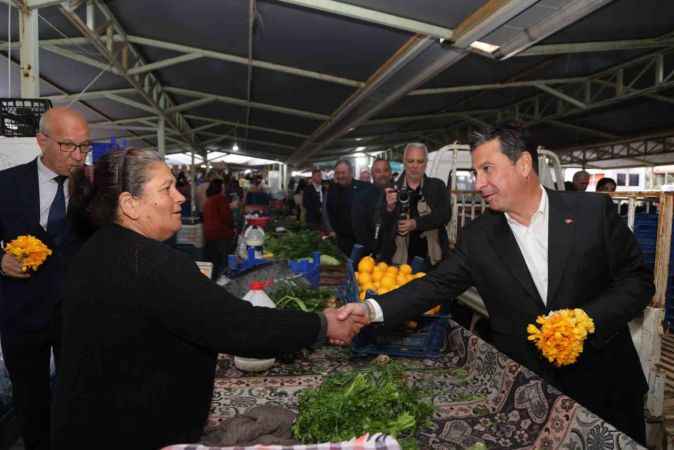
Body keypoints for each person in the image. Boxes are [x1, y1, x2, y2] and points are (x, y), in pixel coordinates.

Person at [339, 127, 653, 444]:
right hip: (532, 397)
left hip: (607, 386)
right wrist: (371, 309)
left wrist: (587, 320)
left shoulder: (591, 212)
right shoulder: (480, 236)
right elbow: (434, 285)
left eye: (487, 169)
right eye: (475, 172)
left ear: (524, 164)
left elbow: (638, 282)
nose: (478, 184)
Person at [52, 149, 364, 450]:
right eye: (167, 188)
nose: (181, 197)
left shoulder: (94, 250)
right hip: (130, 433)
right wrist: (323, 325)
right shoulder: (153, 264)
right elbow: (242, 326)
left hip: (88, 426)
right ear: (130, 205)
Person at [0, 107, 90, 450]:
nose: (79, 156)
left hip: (77, 313)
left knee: (77, 393)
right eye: (70, 146)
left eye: (85, 146)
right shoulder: (6, 185)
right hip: (21, 311)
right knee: (30, 399)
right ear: (42, 141)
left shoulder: (93, 189)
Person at [381, 143, 450, 267]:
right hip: (399, 261)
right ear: (404, 162)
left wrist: (416, 223)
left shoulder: (437, 186)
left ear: (426, 163)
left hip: (432, 259)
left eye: (420, 161)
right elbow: (383, 226)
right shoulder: (391, 188)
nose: (414, 166)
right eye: (410, 161)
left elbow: (444, 215)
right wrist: (389, 208)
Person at [325, 159, 374, 257]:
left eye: (343, 173)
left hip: (362, 243)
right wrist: (332, 230)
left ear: (351, 172)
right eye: (337, 173)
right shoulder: (332, 190)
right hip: (341, 242)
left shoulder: (364, 188)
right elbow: (329, 211)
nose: (340, 176)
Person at [353, 159, 395, 260]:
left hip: (398, 254)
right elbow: (359, 229)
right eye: (378, 171)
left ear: (390, 173)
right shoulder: (362, 197)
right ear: (372, 174)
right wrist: (369, 252)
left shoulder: (400, 194)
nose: (382, 174)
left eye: (385, 170)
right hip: (372, 255)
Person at [202, 179, 235, 279]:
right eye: (223, 186)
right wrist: (232, 227)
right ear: (220, 187)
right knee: (223, 261)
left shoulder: (209, 200)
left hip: (209, 234)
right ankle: (223, 280)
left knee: (213, 260)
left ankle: (213, 280)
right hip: (221, 233)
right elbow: (227, 217)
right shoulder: (220, 199)